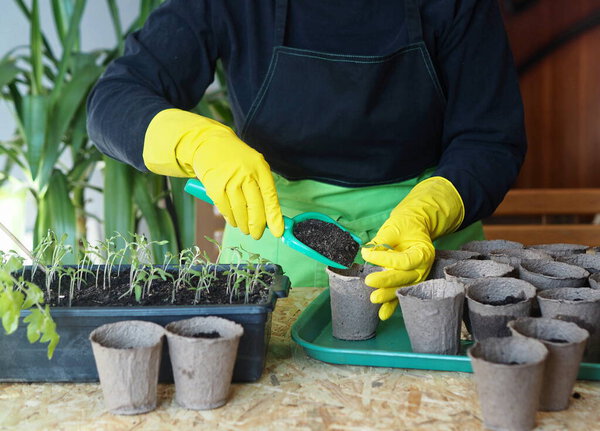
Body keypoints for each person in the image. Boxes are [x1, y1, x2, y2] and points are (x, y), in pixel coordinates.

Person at [87, 0, 526, 320]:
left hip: (424, 249)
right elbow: (112, 101)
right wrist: (198, 142)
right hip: (277, 243)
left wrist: (429, 211)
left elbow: (490, 140)